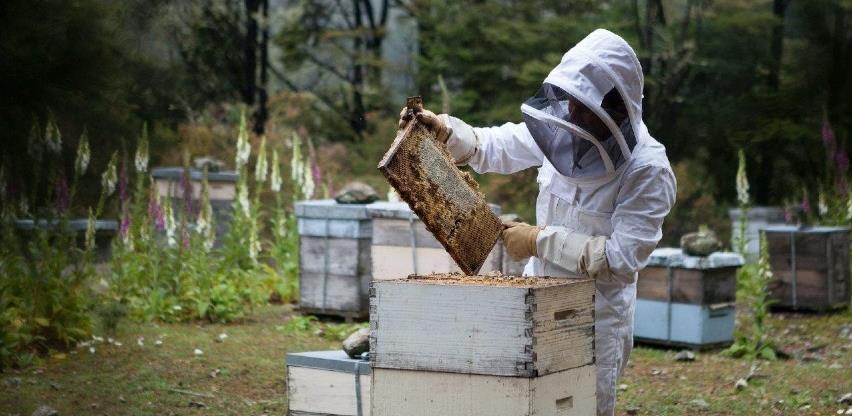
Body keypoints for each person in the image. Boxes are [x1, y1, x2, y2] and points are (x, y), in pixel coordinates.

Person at [399, 29, 676, 416]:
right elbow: (492, 146)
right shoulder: (564, 127)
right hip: (536, 297)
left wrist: (537, 240)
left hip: (595, 318)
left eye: (584, 106)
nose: (571, 112)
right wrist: (446, 131)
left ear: (615, 109)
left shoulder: (648, 171)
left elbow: (621, 260)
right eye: (571, 100)